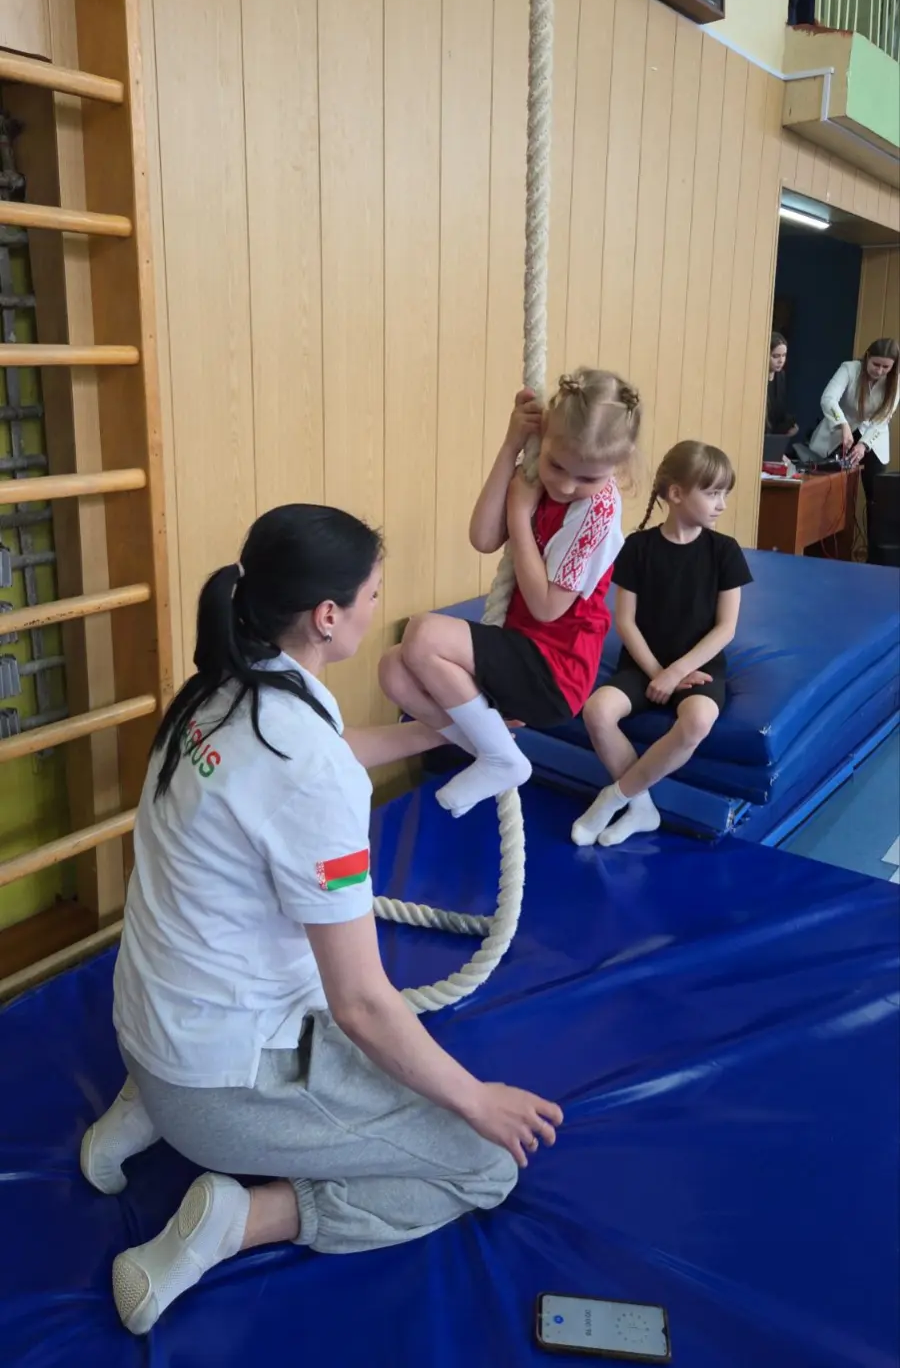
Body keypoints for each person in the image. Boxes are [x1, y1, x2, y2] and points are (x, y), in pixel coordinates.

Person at [80, 504, 562, 1335]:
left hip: (150, 1023)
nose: (381, 607)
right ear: (328, 616)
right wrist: (477, 1100)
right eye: (374, 594)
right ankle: (238, 1219)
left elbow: (323, 754)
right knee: (484, 1166)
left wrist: (441, 731)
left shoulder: (225, 684)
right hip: (215, 1083)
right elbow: (362, 1004)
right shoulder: (308, 768)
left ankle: (143, 1108)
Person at [379, 370, 641, 817]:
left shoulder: (598, 511)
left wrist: (520, 514)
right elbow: (483, 537)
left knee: (423, 634)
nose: (565, 486)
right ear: (545, 439)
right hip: (522, 649)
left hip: (556, 672)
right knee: (393, 670)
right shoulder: (539, 471)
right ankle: (492, 747)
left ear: (619, 464)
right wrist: (511, 446)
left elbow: (546, 607)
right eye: (556, 466)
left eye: (586, 477)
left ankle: (499, 755)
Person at [570, 442, 752, 849]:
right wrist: (656, 673)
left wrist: (677, 672)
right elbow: (625, 621)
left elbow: (725, 628)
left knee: (698, 721)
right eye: (712, 493)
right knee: (597, 711)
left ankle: (615, 796)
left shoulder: (724, 552)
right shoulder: (639, 548)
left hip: (700, 665)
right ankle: (642, 808)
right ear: (676, 493)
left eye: (725, 493)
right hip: (643, 664)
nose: (722, 504)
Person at [809, 338, 900, 554]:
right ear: (867, 357)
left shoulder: (895, 381)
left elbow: (883, 417)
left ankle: (876, 555)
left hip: (873, 439)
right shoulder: (849, 369)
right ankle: (820, 551)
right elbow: (828, 399)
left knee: (877, 499)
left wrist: (864, 445)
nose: (879, 371)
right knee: (824, 491)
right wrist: (842, 424)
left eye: (886, 367)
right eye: (876, 364)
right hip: (838, 432)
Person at [766, 332, 799, 438]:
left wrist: (788, 426)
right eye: (776, 356)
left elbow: (779, 410)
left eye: (784, 355)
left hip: (775, 435)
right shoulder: (758, 378)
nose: (781, 361)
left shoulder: (781, 376)